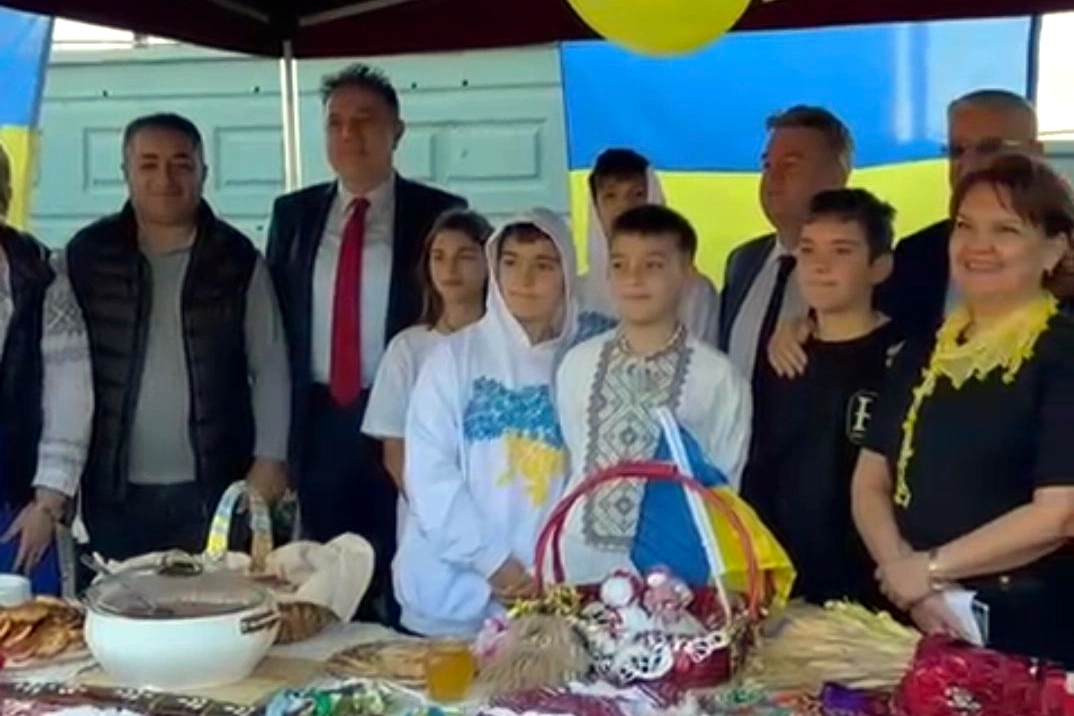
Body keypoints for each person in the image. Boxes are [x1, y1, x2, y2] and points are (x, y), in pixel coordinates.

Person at [852, 153, 1074, 666]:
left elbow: (1060, 513)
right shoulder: (925, 349)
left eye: (1005, 230)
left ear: (1054, 249)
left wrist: (930, 568)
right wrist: (907, 576)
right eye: (965, 226)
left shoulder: (1063, 352)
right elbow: (870, 480)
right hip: (919, 616)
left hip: (1030, 629)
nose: (978, 245)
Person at [266, 63, 466, 626]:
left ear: (397, 131)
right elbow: (276, 323)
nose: (349, 134)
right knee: (324, 577)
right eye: (336, 123)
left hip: (406, 419)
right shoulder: (294, 215)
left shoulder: (438, 212)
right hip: (321, 417)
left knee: (404, 564)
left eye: (365, 120)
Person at [67, 113, 290, 561]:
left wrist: (270, 460)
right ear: (126, 172)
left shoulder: (236, 257)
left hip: (214, 488)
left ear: (203, 172)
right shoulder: (86, 256)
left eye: (181, 164)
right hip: (111, 490)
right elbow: (56, 371)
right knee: (120, 603)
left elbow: (270, 365)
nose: (164, 179)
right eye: (148, 164)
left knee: (216, 602)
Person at [768, 90, 1043, 379]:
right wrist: (803, 328)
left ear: (1035, 153)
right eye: (957, 150)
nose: (969, 164)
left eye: (989, 148)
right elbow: (863, 327)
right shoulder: (917, 254)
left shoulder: (1065, 259)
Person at [395, 209, 576, 637]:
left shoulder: (581, 365)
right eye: (511, 263)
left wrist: (550, 570)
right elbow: (429, 474)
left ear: (567, 275)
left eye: (543, 265)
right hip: (448, 605)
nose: (524, 279)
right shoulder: (452, 359)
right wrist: (493, 562)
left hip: (547, 600)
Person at [555, 204, 753, 585]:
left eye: (653, 265)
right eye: (620, 265)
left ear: (688, 274)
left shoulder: (718, 378)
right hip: (579, 562)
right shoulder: (577, 364)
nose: (634, 279)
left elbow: (724, 483)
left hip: (675, 573)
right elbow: (575, 453)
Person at [743, 188, 899, 605]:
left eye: (842, 251)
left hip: (874, 596)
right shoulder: (785, 354)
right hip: (788, 592)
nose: (820, 265)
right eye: (808, 250)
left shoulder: (902, 359)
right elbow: (761, 471)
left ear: (879, 267)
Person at [361, 209, 491, 535]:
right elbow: (396, 450)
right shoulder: (408, 348)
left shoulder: (506, 346)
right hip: (428, 525)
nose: (450, 269)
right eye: (439, 257)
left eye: (464, 257)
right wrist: (440, 516)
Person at [0, 143, 92, 595]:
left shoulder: (38, 276)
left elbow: (69, 392)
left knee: (29, 626)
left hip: (15, 503)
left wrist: (47, 502)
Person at [718, 106, 852, 381]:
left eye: (791, 164)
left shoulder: (861, 271)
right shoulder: (742, 261)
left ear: (836, 176)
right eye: (767, 165)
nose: (773, 177)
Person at [577, 148, 720, 344]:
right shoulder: (578, 292)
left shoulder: (693, 291)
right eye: (610, 196)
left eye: (637, 194)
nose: (624, 206)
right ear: (595, 206)